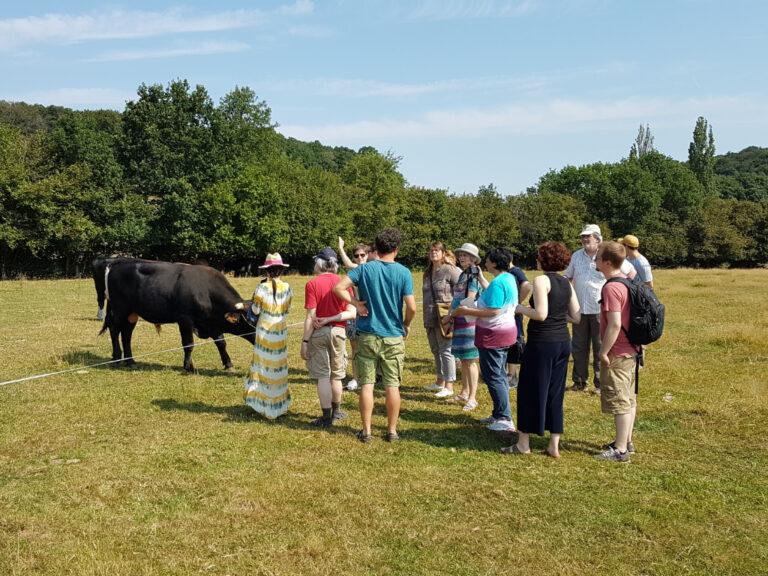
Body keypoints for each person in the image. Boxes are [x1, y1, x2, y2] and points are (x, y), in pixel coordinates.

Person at [334, 228, 417, 443]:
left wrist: (356, 304)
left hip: (368, 333)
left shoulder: (365, 269)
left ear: (376, 248)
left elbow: (339, 287)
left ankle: (367, 431)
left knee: (367, 384)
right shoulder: (404, 272)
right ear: (396, 249)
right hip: (393, 335)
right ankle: (391, 431)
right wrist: (406, 324)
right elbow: (412, 307)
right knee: (392, 385)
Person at [502, 242, 581, 457]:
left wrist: (519, 308)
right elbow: (576, 316)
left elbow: (541, 314)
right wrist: (556, 317)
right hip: (563, 342)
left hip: (542, 343)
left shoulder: (541, 280)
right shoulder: (566, 282)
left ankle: (523, 444)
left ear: (543, 260)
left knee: (529, 391)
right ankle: (553, 444)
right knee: (555, 392)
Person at [452, 248, 518, 432]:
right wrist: (481, 278)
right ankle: (498, 413)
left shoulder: (499, 282)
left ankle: (504, 418)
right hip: (504, 333)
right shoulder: (507, 278)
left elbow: (493, 310)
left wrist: (465, 311)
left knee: (494, 376)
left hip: (494, 335)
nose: (485, 263)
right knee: (498, 375)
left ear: (495, 263)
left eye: (487, 260)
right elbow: (493, 295)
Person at [565, 224, 636, 393]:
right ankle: (579, 382)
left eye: (587, 236)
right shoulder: (576, 255)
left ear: (597, 238)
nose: (584, 239)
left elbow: (630, 272)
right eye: (583, 236)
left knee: (600, 346)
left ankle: (600, 383)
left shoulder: (607, 254)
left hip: (601, 309)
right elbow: (567, 276)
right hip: (579, 309)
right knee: (579, 346)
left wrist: (621, 290)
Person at [301, 247, 356, 427]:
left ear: (319, 264)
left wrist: (305, 342)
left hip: (319, 334)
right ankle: (337, 412)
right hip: (339, 332)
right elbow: (351, 312)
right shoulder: (344, 282)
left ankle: (326, 417)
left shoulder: (312, 284)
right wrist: (333, 318)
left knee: (323, 376)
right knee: (337, 376)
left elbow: (311, 316)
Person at [594, 241, 638, 463]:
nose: (595, 260)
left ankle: (620, 451)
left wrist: (603, 351)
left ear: (607, 262)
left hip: (618, 352)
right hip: (632, 349)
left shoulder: (611, 287)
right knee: (628, 398)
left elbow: (614, 324)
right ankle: (626, 442)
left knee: (620, 401)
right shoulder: (627, 282)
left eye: (598, 257)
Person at [244, 253, 293, 419]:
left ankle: (263, 405)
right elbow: (288, 309)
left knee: (263, 366)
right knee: (278, 366)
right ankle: (277, 406)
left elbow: (256, 310)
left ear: (267, 271)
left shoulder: (261, 288)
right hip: (280, 333)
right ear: (281, 271)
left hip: (264, 333)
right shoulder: (287, 288)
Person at [444, 243, 489, 411]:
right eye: (461, 254)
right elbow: (456, 298)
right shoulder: (464, 273)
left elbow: (469, 301)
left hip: (469, 321)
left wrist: (450, 316)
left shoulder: (473, 274)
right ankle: (464, 392)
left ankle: (472, 397)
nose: (462, 257)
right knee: (463, 359)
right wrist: (451, 316)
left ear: (473, 258)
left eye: (466, 255)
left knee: (470, 360)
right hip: (460, 319)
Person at [422, 241, 461, 398]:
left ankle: (449, 385)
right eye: (431, 251)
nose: (434, 253)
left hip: (445, 315)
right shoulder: (427, 272)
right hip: (429, 314)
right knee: (435, 349)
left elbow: (461, 289)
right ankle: (440, 381)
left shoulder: (449, 270)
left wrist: (452, 311)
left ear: (444, 253)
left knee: (446, 349)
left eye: (437, 251)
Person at [337, 237, 372, 390]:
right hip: (354, 312)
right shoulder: (355, 270)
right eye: (357, 255)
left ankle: (374, 376)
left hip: (370, 313)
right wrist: (341, 248)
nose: (359, 258)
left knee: (371, 346)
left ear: (368, 255)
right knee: (354, 347)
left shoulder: (373, 269)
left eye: (362, 255)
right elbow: (347, 264)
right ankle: (356, 378)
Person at [506, 251, 532, 389]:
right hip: (508, 313)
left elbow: (527, 286)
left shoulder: (515, 271)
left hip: (513, 314)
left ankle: (512, 376)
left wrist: (517, 303)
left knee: (515, 342)